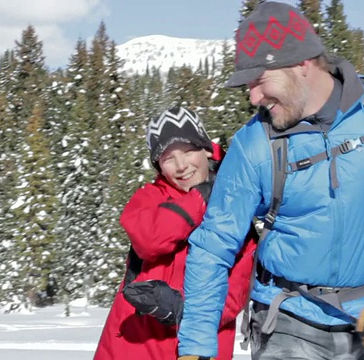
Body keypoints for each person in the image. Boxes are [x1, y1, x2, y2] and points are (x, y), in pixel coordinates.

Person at [176, 2, 364, 360]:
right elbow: (214, 244)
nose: (253, 97)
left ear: (302, 63)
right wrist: (196, 348)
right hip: (286, 320)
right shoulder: (254, 144)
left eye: (259, 80)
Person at [94, 106, 258, 360]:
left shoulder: (234, 206)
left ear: (206, 149)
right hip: (133, 346)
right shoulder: (149, 198)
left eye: (188, 151)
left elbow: (237, 291)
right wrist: (200, 198)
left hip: (199, 347)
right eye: (168, 158)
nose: (181, 166)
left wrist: (183, 310)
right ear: (159, 165)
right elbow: (150, 240)